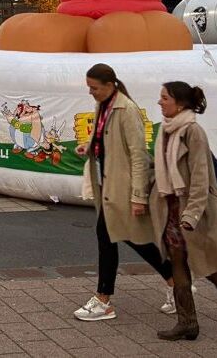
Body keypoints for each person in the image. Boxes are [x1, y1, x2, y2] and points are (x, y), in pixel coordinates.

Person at [149, 81, 217, 341]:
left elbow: (201, 177)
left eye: (165, 98)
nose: (160, 102)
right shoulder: (167, 129)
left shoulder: (193, 132)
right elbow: (165, 168)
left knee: (204, 264)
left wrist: (191, 215)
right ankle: (187, 322)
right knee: (178, 261)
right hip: (171, 207)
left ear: (180, 103)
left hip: (190, 210)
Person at [73, 63, 175, 322]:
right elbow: (106, 137)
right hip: (109, 185)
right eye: (89, 87)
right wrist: (90, 146)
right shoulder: (104, 104)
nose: (91, 92)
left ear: (109, 85)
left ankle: (103, 300)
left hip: (122, 187)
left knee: (116, 237)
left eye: (94, 88)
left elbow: (139, 155)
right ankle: (176, 281)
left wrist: (138, 196)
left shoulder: (126, 109)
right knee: (129, 238)